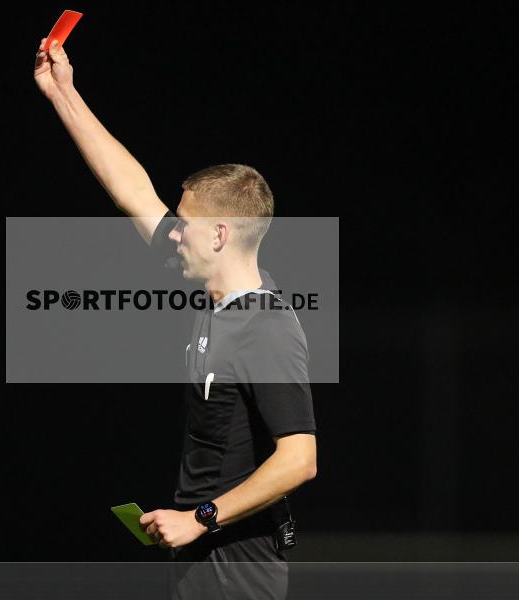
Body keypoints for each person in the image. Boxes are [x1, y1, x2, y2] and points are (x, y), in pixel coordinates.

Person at [34, 38, 317, 599]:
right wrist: (62, 92)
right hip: (199, 556)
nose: (173, 229)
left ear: (220, 234)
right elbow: (132, 191)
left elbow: (301, 458)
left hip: (239, 565)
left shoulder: (268, 327)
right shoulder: (215, 297)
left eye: (184, 221)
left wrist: (201, 517)